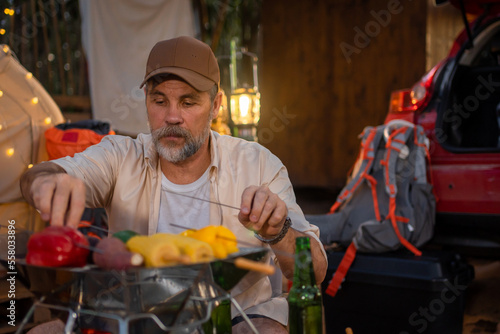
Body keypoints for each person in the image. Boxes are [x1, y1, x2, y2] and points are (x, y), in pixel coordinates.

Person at [20, 36, 327, 333]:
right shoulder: (119, 155)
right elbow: (41, 174)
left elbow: (314, 272)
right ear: (146, 102)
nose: (171, 117)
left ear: (216, 104)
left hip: (234, 321)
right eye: (159, 100)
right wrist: (45, 183)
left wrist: (278, 231)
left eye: (188, 101)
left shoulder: (258, 164)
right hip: (139, 320)